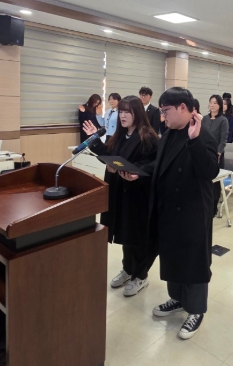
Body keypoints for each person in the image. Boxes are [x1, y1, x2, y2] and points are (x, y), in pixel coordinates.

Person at [121, 87, 219, 340]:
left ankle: (196, 310)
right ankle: (177, 298)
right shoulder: (168, 133)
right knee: (173, 257)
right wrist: (139, 172)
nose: (162, 116)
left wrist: (195, 141)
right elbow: (159, 164)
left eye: (166, 111)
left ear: (183, 108)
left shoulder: (202, 134)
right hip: (168, 208)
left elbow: (210, 171)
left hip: (192, 211)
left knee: (193, 261)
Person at [82, 96, 158, 297]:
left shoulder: (148, 136)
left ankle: (140, 275)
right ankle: (128, 269)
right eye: (121, 112)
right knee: (124, 231)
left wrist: (137, 172)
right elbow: (109, 155)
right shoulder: (119, 134)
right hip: (119, 191)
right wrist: (94, 140)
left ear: (137, 113)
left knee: (137, 235)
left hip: (137, 193)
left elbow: (153, 164)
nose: (122, 116)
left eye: (127, 112)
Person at [202, 95, 229, 213]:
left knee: (215, 182)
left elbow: (223, 140)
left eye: (215, 103)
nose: (212, 105)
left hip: (216, 155)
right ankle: (205, 203)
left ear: (220, 106)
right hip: (203, 153)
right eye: (211, 102)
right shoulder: (204, 118)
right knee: (205, 179)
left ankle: (214, 205)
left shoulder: (223, 120)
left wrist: (218, 153)